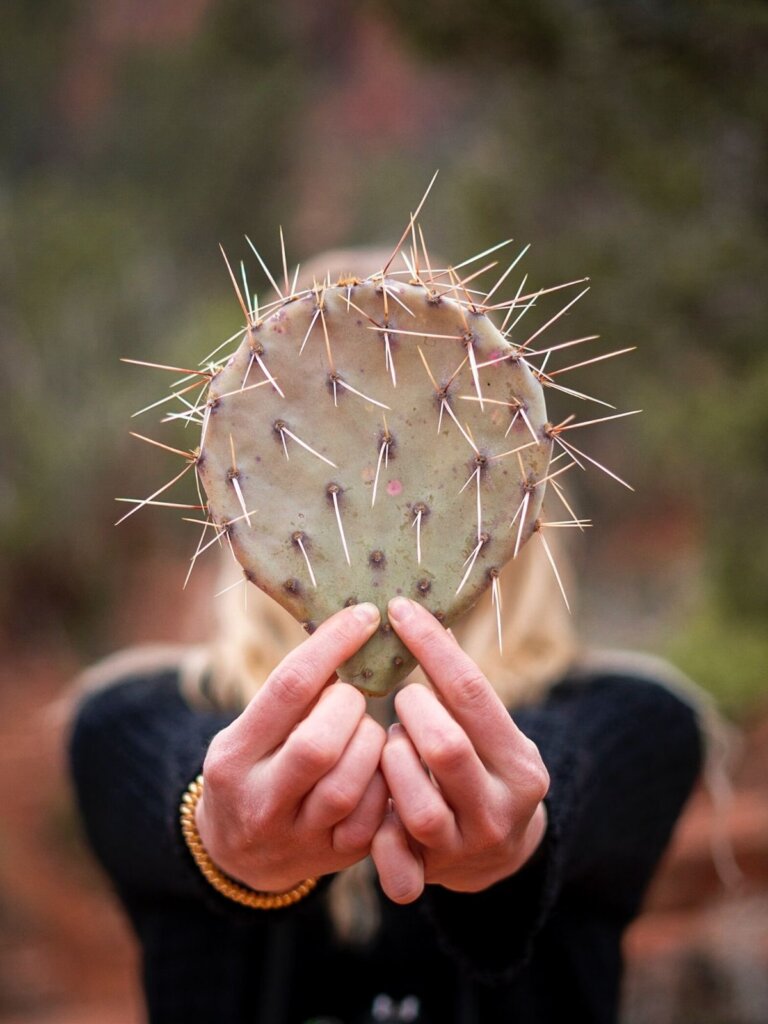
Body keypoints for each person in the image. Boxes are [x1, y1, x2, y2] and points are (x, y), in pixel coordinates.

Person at [69, 528, 706, 1024]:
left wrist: (528, 822)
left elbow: (573, 768)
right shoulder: (127, 720)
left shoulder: (637, 720)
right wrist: (213, 821)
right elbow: (172, 763)